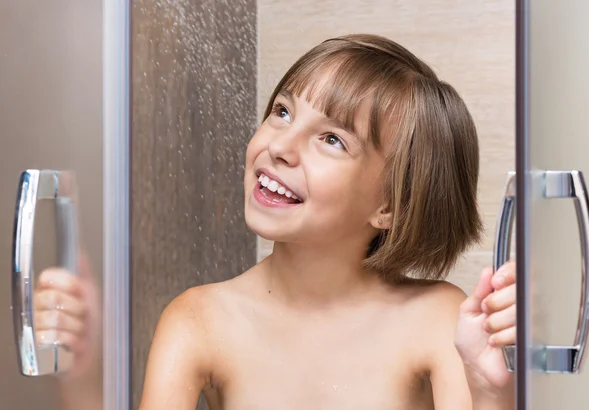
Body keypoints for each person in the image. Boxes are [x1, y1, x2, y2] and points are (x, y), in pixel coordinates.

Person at [35, 34, 517, 409]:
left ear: (390, 205)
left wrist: (491, 390)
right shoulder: (199, 321)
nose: (280, 147)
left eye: (332, 140)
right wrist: (81, 372)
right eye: (283, 111)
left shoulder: (436, 320)